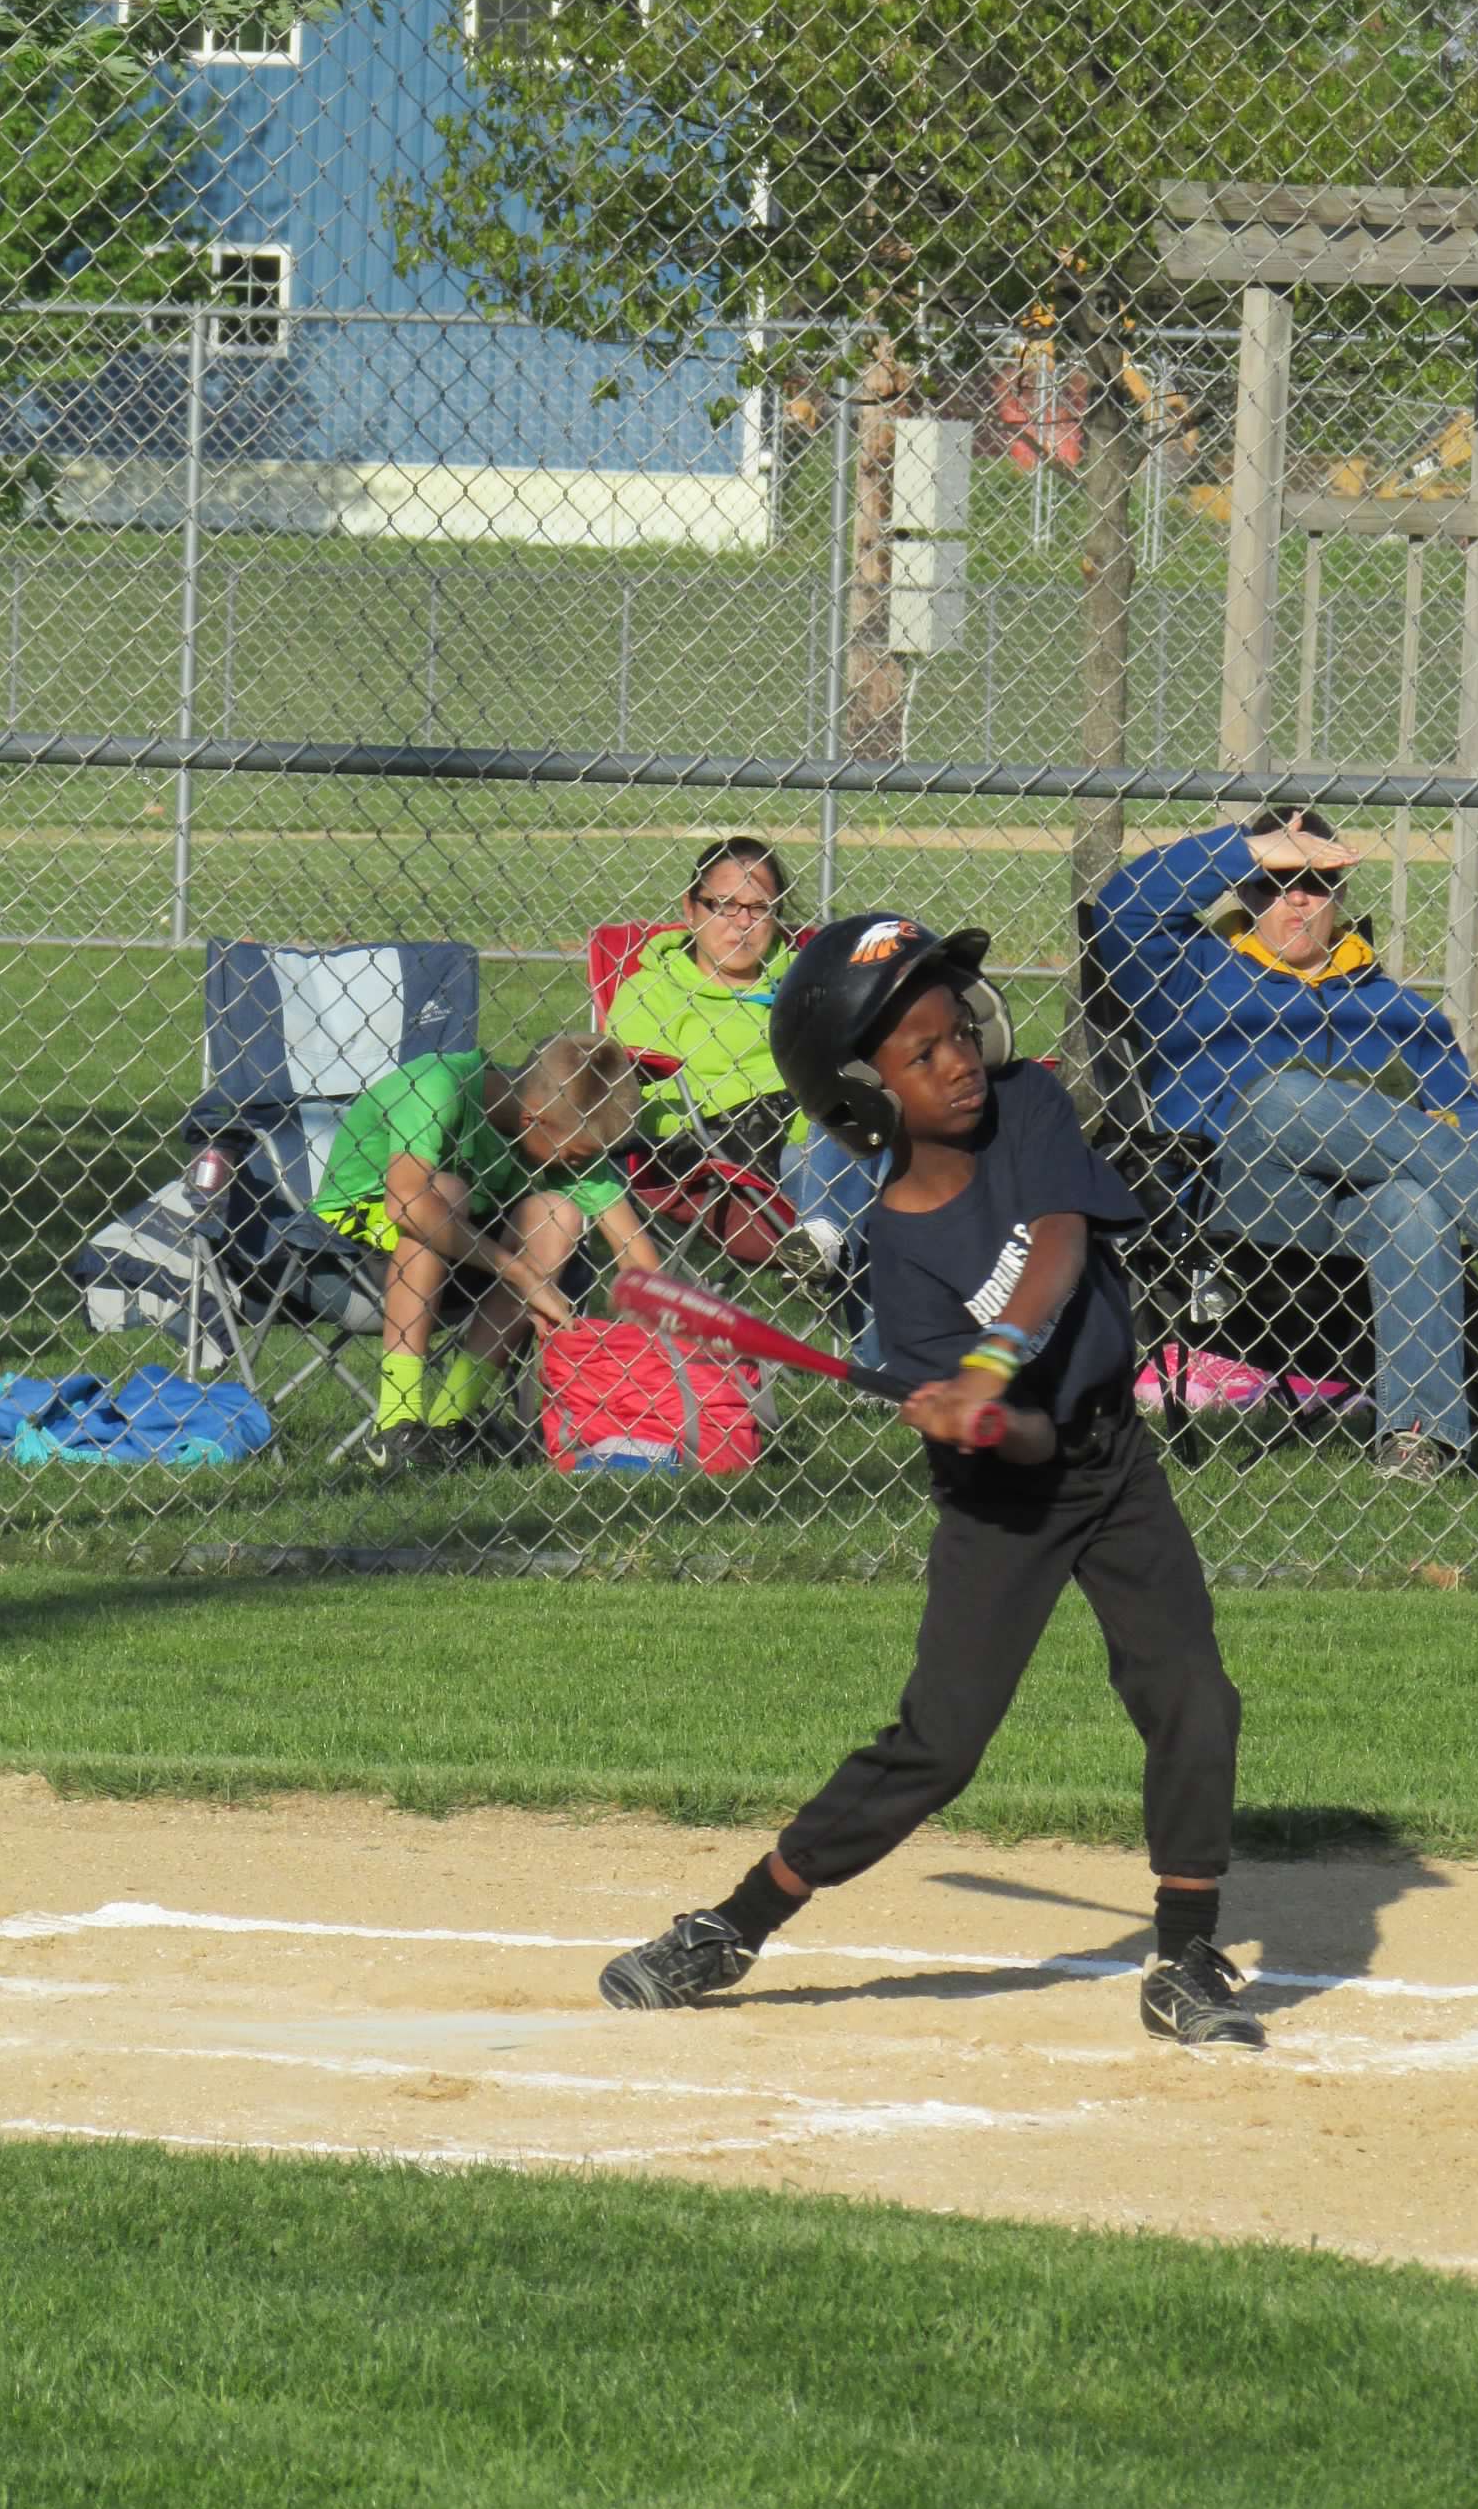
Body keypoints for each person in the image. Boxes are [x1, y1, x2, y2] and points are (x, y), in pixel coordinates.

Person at [596, 912, 1260, 2051]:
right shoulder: (901, 1270)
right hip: (1008, 1504)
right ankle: (731, 1924)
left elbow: (1060, 1243)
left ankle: (1185, 1951)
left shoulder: (1028, 1107)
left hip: (1114, 1461)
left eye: (959, 1031)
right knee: (939, 1746)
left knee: (1193, 1694)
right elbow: (1023, 1451)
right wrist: (989, 1423)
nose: (958, 1062)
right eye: (921, 1053)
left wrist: (992, 1367)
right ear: (863, 1095)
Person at [1092, 806, 1478, 1480]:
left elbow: (1466, 1113)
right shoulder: (1189, 972)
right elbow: (1121, 910)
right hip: (1232, 1209)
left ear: (1340, 894)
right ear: (1244, 891)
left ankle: (1416, 1441)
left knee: (1412, 1204)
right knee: (1284, 1096)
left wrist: (1445, 1137)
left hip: (1351, 1221)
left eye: (1315, 882)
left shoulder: (1397, 1009)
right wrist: (1245, 848)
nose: (1296, 899)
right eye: (1274, 882)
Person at [311, 1032, 662, 1471]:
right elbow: (406, 1205)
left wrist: (663, 1325)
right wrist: (523, 1275)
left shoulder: (562, 1128)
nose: (578, 1166)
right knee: (443, 1193)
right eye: (574, 1157)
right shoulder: (437, 1085)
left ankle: (448, 1425)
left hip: (461, 1257)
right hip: (353, 1250)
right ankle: (396, 1420)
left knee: (558, 1215)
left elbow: (636, 1253)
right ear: (533, 1120)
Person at [602, 837, 884, 1309]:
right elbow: (628, 1097)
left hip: (824, 1144)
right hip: (719, 1164)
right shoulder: (651, 992)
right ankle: (831, 1240)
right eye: (724, 905)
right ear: (690, 908)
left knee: (856, 1135)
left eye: (759, 908)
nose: (742, 922)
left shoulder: (807, 979)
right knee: (882, 1220)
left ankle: (823, 1241)